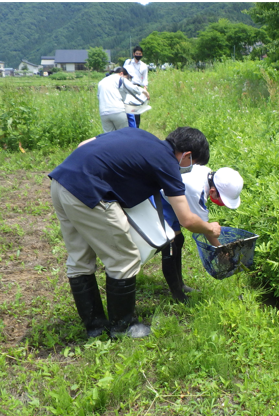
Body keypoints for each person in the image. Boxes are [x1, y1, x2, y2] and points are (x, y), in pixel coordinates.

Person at [48, 127, 221, 339]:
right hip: (89, 193)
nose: (190, 169)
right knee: (124, 259)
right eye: (192, 164)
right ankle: (123, 327)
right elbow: (186, 219)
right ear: (186, 155)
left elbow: (84, 144)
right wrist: (210, 228)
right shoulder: (168, 163)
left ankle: (95, 327)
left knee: (79, 259)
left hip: (61, 181)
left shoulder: (140, 135)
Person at [160, 166, 243, 302]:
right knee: (169, 247)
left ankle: (180, 285)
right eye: (222, 200)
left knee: (178, 239)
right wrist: (221, 250)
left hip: (171, 201)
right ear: (212, 191)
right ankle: (177, 295)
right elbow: (201, 227)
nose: (221, 203)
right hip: (159, 201)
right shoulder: (195, 190)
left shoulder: (206, 172)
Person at [97, 67, 149, 133]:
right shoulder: (120, 78)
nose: (127, 79)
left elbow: (98, 97)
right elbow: (133, 88)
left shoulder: (101, 81)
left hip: (103, 114)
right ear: (121, 73)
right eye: (127, 77)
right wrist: (145, 92)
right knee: (123, 136)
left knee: (110, 138)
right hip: (117, 111)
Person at [124, 46, 148, 128]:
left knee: (137, 110)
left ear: (142, 54)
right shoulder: (128, 62)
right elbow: (123, 74)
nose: (138, 55)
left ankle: (136, 128)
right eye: (136, 53)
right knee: (127, 108)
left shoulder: (144, 66)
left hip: (138, 88)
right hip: (128, 87)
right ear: (133, 54)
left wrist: (145, 90)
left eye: (140, 53)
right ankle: (128, 128)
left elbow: (145, 79)